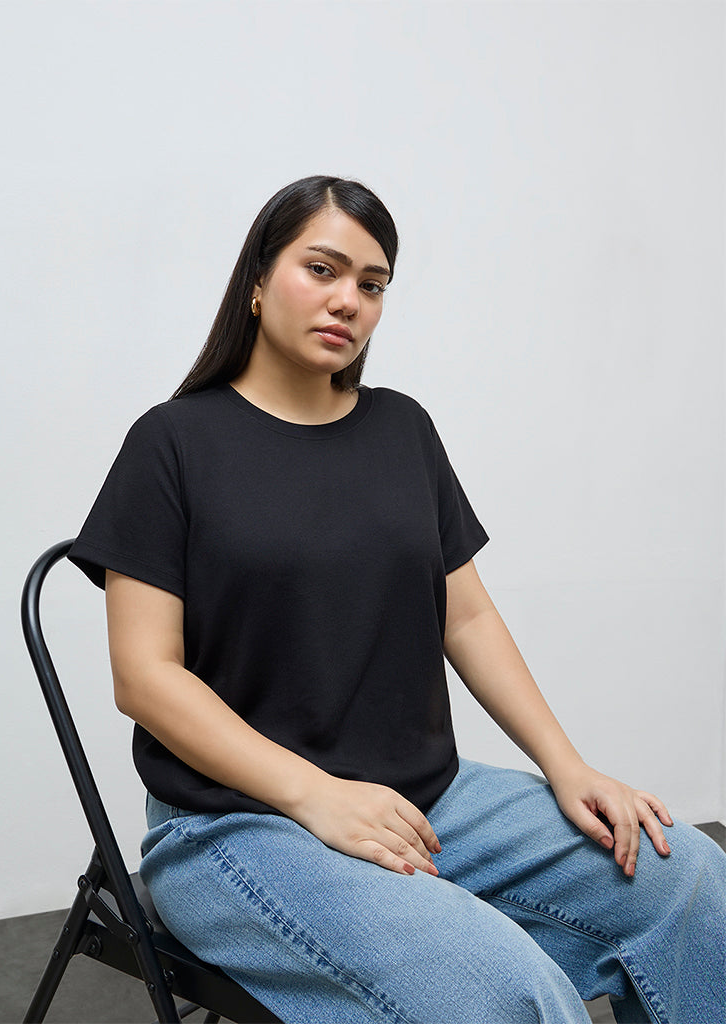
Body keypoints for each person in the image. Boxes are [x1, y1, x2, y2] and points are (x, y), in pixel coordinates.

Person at [69, 175, 725, 1024]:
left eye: (372, 284)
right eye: (322, 269)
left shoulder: (401, 428)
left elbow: (468, 615)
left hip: (425, 798)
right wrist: (315, 794)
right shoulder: (173, 442)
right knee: (499, 994)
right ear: (258, 281)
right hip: (233, 824)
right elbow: (144, 678)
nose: (349, 299)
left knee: (687, 878)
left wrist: (568, 768)